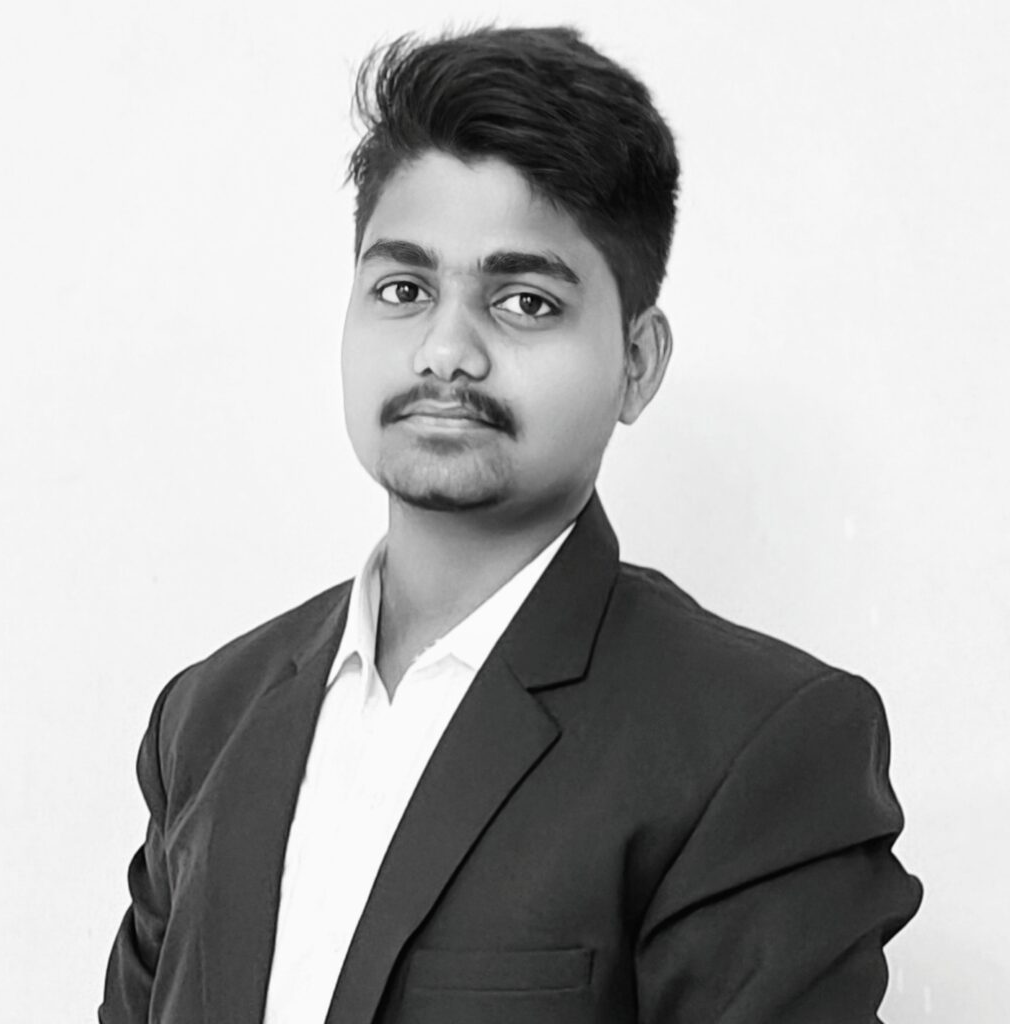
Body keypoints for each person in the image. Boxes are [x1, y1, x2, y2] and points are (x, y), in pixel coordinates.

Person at [100, 25, 922, 1024]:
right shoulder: (208, 717)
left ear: (637, 363)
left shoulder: (756, 747)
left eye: (525, 301)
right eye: (403, 290)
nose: (446, 350)